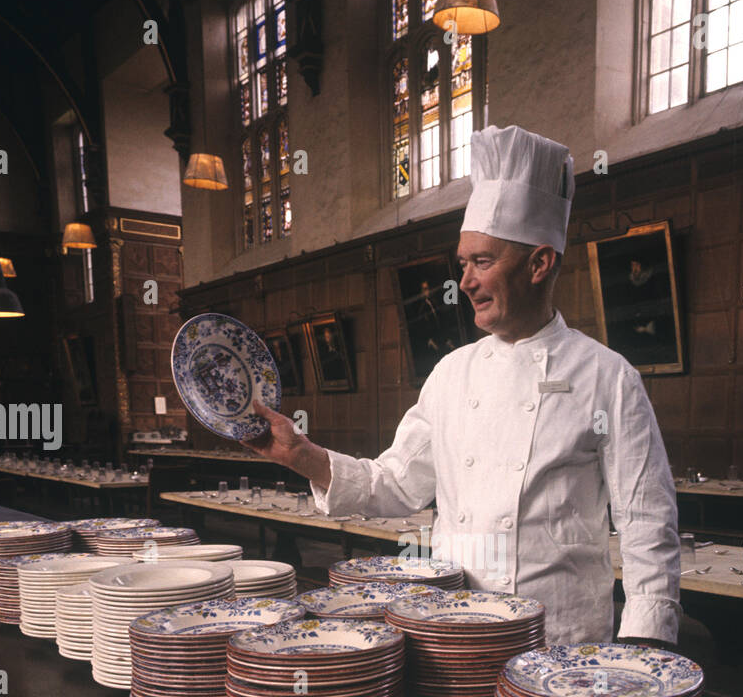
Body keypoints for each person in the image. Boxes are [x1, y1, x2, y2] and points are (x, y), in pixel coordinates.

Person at [248, 124, 681, 649]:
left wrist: (645, 647)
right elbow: (397, 484)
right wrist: (303, 456)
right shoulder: (451, 374)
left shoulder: (609, 377)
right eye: (463, 264)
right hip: (453, 635)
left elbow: (645, 522)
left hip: (562, 643)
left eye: (483, 262)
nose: (467, 282)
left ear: (540, 264)